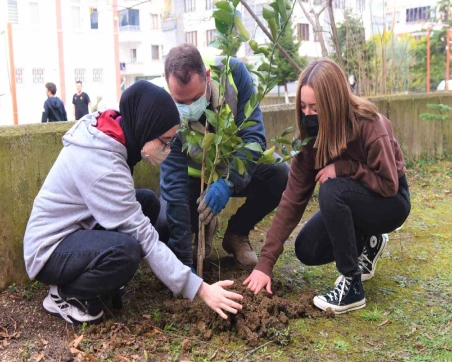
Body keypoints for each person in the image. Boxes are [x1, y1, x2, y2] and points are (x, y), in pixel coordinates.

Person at [24, 81, 243, 324]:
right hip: (49, 250)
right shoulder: (103, 165)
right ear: (146, 128)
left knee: (147, 202)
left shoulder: (114, 130)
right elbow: (144, 238)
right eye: (165, 141)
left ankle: (94, 282)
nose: (168, 149)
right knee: (126, 252)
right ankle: (65, 294)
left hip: (77, 229)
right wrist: (200, 289)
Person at [244, 59, 411, 314]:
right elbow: (292, 199)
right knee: (307, 249)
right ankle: (370, 240)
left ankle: (351, 286)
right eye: (303, 107)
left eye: (315, 107)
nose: (308, 114)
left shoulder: (370, 125)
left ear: (333, 104)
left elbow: (389, 186)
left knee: (332, 189)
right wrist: (265, 264)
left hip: (391, 202)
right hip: (355, 199)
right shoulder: (310, 140)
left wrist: (345, 168)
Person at [156, 43, 289, 271]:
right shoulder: (162, 102)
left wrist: (228, 182)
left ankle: (236, 233)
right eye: (181, 102)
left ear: (207, 76)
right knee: (164, 224)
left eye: (195, 98)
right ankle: (198, 232)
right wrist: (184, 264)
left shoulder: (233, 74)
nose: (189, 107)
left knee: (280, 173)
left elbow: (254, 140)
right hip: (190, 180)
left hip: (229, 172)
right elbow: (173, 181)